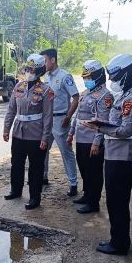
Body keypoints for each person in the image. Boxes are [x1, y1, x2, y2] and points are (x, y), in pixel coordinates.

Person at [84, 54, 132, 255]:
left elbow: (125, 130)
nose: (111, 80)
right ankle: (117, 239)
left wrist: (100, 127)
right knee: (113, 201)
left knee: (118, 201)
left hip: (123, 156)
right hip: (115, 155)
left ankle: (119, 244)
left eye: (115, 76)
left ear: (127, 74)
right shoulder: (125, 95)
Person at [3, 54, 54, 210]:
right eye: (28, 69)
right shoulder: (19, 86)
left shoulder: (46, 91)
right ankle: (16, 190)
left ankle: (34, 197)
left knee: (35, 167)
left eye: (32, 69)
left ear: (39, 71)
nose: (29, 72)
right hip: (18, 132)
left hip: (36, 134)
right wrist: (6, 128)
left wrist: (45, 137)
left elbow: (47, 116)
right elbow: (11, 109)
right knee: (16, 163)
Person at [67, 60, 113, 214]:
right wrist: (71, 133)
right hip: (81, 139)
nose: (87, 80)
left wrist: (96, 143)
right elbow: (77, 116)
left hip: (93, 140)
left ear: (99, 76)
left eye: (89, 77)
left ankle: (94, 202)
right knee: (84, 169)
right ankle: (86, 195)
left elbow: (103, 122)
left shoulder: (105, 96)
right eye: (85, 77)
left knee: (94, 172)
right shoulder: (85, 93)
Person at [40, 48, 79, 197]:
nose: (43, 64)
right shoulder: (46, 77)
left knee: (66, 152)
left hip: (60, 119)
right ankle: (43, 177)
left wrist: (68, 117)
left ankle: (73, 183)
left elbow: (75, 98)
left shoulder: (65, 77)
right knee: (43, 149)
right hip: (47, 119)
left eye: (45, 61)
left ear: (52, 60)